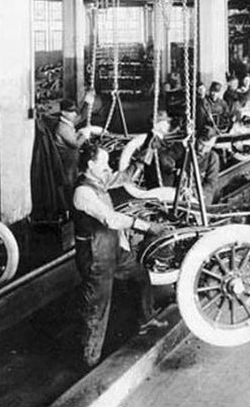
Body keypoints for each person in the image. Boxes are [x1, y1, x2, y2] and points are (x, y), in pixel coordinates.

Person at [71, 141, 168, 368]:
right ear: (90, 164)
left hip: (113, 249)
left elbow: (124, 177)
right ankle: (89, 360)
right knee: (97, 308)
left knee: (141, 274)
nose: (107, 167)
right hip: (95, 257)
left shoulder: (99, 180)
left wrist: (146, 152)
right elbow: (110, 219)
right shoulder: (82, 192)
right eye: (103, 163)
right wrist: (146, 226)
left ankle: (145, 319)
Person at [54, 90, 95, 188]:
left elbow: (80, 118)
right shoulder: (62, 128)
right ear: (64, 113)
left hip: (71, 163)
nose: (75, 114)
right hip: (66, 164)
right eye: (72, 112)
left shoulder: (67, 123)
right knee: (68, 185)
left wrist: (87, 101)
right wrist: (85, 134)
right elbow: (76, 144)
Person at [194, 126, 221, 205]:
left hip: (201, 192)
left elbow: (211, 183)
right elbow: (165, 158)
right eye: (201, 144)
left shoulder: (213, 158)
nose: (203, 150)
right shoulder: (186, 151)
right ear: (196, 140)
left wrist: (198, 192)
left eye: (208, 147)